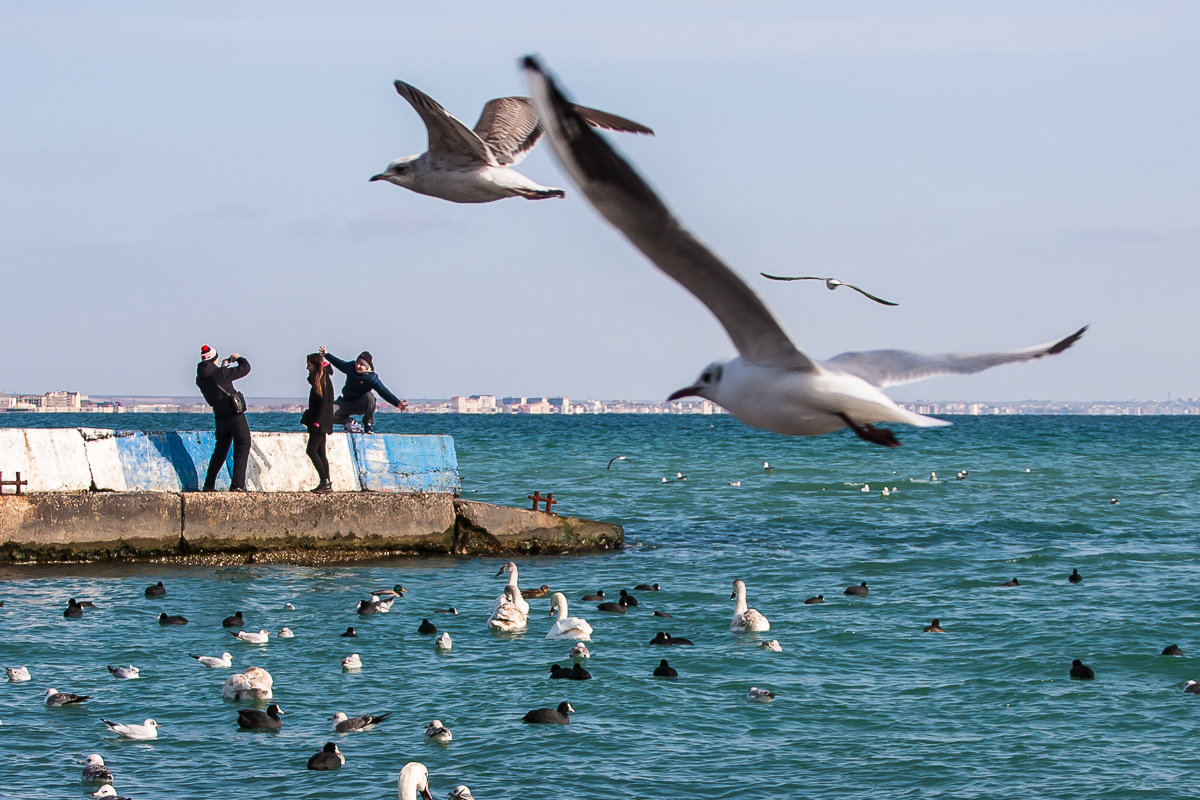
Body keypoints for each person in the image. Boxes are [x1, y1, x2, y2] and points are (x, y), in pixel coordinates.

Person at [195, 345, 252, 491]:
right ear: (215, 359)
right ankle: (237, 485)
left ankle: (209, 485)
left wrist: (221, 369)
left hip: (220, 417)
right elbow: (246, 368)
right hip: (234, 415)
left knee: (220, 451)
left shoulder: (200, 379)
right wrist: (238, 358)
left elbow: (216, 378)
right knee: (243, 444)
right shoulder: (221, 374)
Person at [319, 346, 406, 433]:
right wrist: (326, 354)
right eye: (357, 362)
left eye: (361, 364)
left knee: (370, 397)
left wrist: (397, 403)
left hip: (360, 404)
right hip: (345, 403)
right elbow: (338, 363)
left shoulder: (371, 378)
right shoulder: (350, 367)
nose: (358, 366)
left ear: (367, 367)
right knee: (325, 413)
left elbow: (384, 391)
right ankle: (348, 422)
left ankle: (368, 424)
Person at [302, 352, 334, 493]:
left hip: (320, 422)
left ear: (314, 365)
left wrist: (316, 423)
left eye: (309, 365)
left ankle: (325, 481)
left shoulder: (322, 380)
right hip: (321, 422)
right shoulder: (319, 379)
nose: (307, 367)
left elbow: (324, 404)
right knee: (320, 452)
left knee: (311, 450)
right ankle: (326, 482)